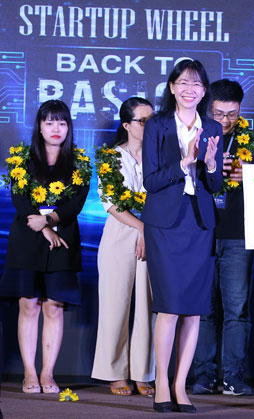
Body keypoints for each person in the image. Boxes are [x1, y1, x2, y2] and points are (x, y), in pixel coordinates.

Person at [141, 59, 223, 413]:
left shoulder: (213, 126)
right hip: (165, 224)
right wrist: (184, 162)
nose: (191, 90)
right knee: (169, 307)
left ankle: (180, 385)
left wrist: (211, 165)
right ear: (172, 87)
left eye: (198, 85)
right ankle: (161, 382)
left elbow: (215, 186)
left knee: (193, 310)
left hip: (200, 224)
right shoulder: (158, 125)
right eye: (184, 83)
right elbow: (151, 180)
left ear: (204, 92)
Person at [0, 100, 90, 394]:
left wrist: (50, 222)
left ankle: (48, 373)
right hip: (27, 240)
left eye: (62, 123)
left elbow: (75, 203)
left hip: (61, 241)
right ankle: (29, 373)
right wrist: (42, 225)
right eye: (50, 122)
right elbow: (20, 200)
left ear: (69, 128)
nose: (56, 129)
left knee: (54, 307)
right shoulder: (21, 160)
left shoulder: (80, 163)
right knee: (29, 305)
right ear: (39, 126)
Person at [191, 79, 254, 396]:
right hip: (199, 234)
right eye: (219, 113)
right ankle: (203, 375)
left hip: (238, 235)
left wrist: (248, 175)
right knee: (203, 310)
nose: (224, 121)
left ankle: (233, 375)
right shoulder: (191, 137)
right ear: (208, 108)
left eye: (232, 114)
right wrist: (203, 169)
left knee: (237, 309)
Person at [91, 97, 155, 396]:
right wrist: (141, 227)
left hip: (155, 235)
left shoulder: (162, 155)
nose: (149, 125)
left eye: (152, 119)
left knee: (149, 306)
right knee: (115, 304)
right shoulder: (111, 158)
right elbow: (112, 205)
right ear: (127, 125)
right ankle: (114, 372)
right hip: (120, 234)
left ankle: (144, 371)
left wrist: (149, 230)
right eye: (143, 121)